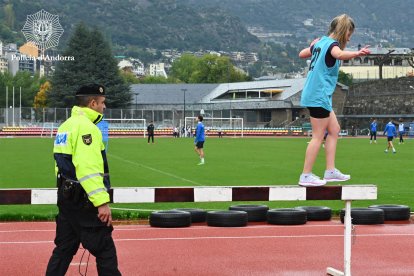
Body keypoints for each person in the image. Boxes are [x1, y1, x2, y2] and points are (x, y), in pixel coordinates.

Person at [46, 83, 121, 275]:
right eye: (102, 102)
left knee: (63, 250)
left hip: (66, 198)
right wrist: (102, 202)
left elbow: (59, 165)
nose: (104, 107)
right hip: (84, 200)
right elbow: (88, 170)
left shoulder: (65, 126)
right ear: (93, 102)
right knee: (105, 250)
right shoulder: (88, 129)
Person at [298, 14, 371, 187]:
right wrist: (357, 53)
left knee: (334, 129)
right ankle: (305, 175)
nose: (349, 38)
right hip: (318, 95)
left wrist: (312, 45)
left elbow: (302, 54)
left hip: (317, 94)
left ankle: (330, 171)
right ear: (343, 30)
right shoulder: (332, 45)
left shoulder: (320, 42)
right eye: (349, 34)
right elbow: (338, 54)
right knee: (317, 136)